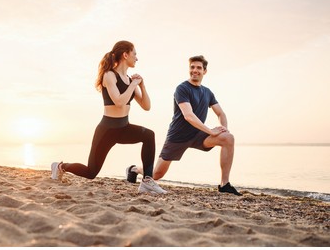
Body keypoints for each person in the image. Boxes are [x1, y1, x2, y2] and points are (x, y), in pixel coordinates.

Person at [51, 40, 166, 194]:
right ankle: (60, 166)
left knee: (149, 135)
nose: (137, 58)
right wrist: (133, 85)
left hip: (124, 128)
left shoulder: (130, 80)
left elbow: (146, 106)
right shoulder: (109, 75)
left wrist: (142, 86)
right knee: (91, 172)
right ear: (125, 55)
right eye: (135, 54)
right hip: (107, 131)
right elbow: (119, 101)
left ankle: (147, 181)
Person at [126, 55, 242, 196]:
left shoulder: (207, 92)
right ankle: (134, 169)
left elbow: (221, 113)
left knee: (228, 138)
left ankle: (225, 184)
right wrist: (211, 131)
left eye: (199, 67)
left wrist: (224, 128)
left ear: (204, 71)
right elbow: (188, 116)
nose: (195, 70)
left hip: (198, 134)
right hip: (178, 136)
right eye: (192, 67)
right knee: (156, 174)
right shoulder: (182, 89)